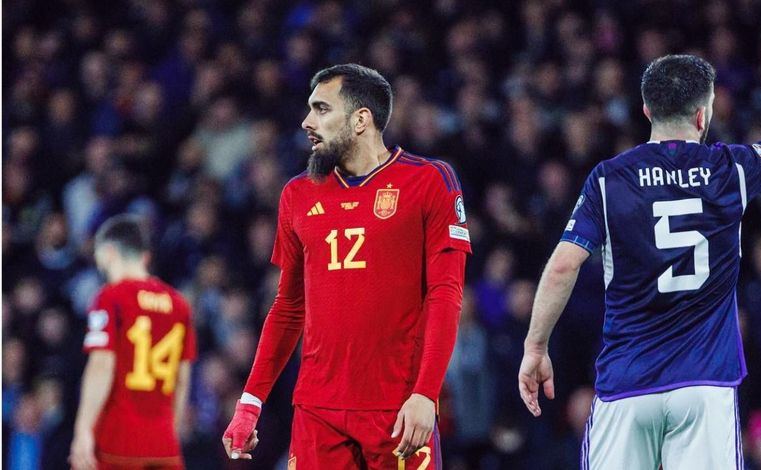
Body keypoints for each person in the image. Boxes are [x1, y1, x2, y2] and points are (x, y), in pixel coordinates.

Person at [518, 15, 761, 470]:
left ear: (645, 110)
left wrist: (536, 348)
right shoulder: (730, 170)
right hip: (705, 385)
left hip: (627, 385)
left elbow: (563, 266)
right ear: (704, 113)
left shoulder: (609, 179)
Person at [221, 63, 471, 469]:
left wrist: (426, 393)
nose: (306, 122)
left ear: (360, 120)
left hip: (397, 408)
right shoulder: (297, 194)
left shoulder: (430, 181)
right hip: (317, 411)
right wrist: (251, 401)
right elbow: (288, 308)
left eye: (321, 109)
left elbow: (445, 294)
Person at [69, 215, 197, 470]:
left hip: (117, 441)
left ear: (108, 252)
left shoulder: (110, 298)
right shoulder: (179, 304)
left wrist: (83, 429)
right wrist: (170, 430)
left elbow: (102, 365)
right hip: (163, 444)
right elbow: (182, 378)